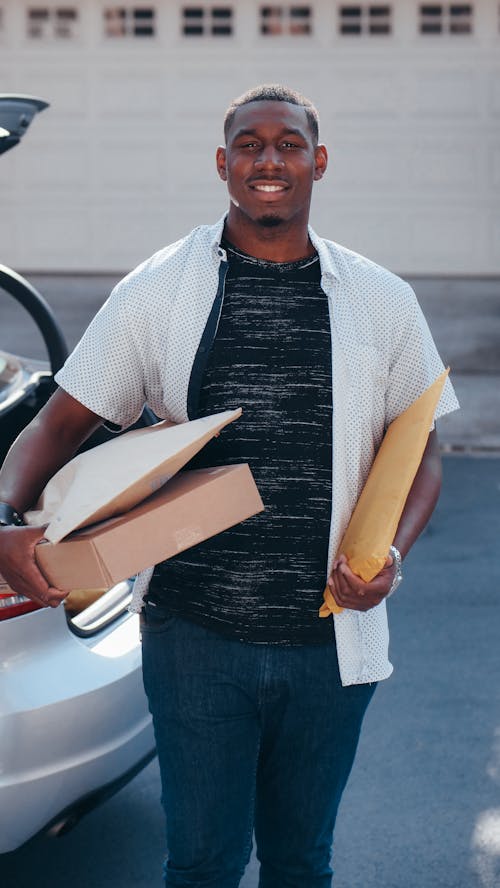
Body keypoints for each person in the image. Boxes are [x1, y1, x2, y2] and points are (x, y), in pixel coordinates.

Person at [0, 84, 458, 887]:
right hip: (196, 641)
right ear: (224, 163)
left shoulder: (381, 300)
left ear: (319, 161)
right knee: (204, 863)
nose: (269, 159)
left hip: (331, 645)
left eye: (289, 143)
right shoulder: (160, 287)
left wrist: (388, 552)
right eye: (250, 143)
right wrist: (4, 520)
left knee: (299, 862)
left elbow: (423, 451)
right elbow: (59, 423)